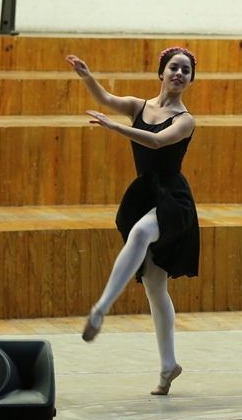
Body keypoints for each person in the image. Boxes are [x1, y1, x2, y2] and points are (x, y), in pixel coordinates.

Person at [68, 47, 199, 396]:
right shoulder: (139, 106)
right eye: (174, 67)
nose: (179, 74)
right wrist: (86, 75)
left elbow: (156, 142)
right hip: (145, 194)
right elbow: (105, 97)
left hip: (173, 199)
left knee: (141, 232)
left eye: (186, 71)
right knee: (156, 285)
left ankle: (101, 308)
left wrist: (115, 128)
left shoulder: (185, 119)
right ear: (162, 72)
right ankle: (169, 366)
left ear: (189, 80)